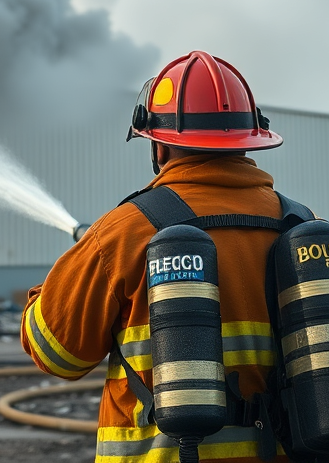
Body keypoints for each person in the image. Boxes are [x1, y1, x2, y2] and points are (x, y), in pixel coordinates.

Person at [21, 51, 292, 463]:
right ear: (249, 138)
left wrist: (52, 289)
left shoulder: (126, 231)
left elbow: (56, 353)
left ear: (160, 147)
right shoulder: (302, 230)